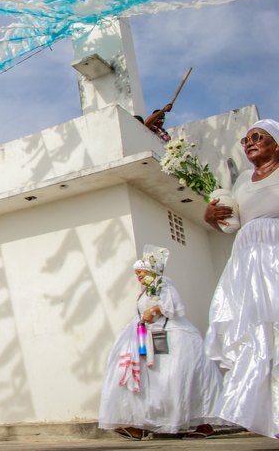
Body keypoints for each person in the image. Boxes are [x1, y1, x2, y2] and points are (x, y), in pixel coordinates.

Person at [203, 118, 279, 438]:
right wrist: (212, 217)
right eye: (245, 140)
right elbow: (231, 224)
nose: (248, 143)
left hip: (275, 255)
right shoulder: (243, 181)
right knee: (257, 336)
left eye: (257, 137)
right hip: (246, 264)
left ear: (276, 143)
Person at [98, 245, 222, 440]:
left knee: (173, 378)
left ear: (151, 271)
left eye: (141, 272)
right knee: (150, 381)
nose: (139, 277)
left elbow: (174, 305)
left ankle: (201, 424)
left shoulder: (163, 283)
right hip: (147, 337)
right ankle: (140, 423)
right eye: (136, 274)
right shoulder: (146, 291)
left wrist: (154, 310)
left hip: (171, 336)